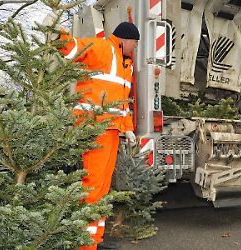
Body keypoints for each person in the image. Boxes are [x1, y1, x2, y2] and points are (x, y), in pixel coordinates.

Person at [44, 14, 139, 249]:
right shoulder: (103, 48)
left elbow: (122, 103)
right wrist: (57, 32)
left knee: (103, 189)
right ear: (126, 40)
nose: (135, 48)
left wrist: (128, 129)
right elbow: (74, 47)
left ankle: (94, 240)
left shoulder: (126, 65)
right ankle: (84, 244)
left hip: (112, 131)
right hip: (95, 129)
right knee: (93, 187)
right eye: (135, 44)